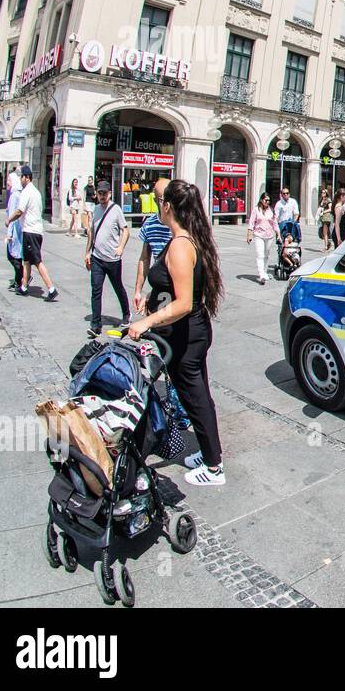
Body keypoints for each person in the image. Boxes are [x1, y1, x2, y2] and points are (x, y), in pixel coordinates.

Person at [127, 180, 225, 487]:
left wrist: (147, 322)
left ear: (168, 206)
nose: (157, 206)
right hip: (186, 332)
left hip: (187, 335)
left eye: (159, 202)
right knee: (198, 396)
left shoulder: (182, 245)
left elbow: (183, 303)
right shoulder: (182, 238)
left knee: (195, 398)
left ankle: (213, 467)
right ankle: (211, 453)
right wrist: (149, 296)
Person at [84, 180, 131, 339]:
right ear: (96, 194)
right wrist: (87, 252)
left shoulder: (116, 210)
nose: (102, 196)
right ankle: (95, 325)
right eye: (100, 193)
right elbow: (91, 233)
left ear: (110, 194)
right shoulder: (96, 210)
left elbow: (125, 231)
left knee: (118, 287)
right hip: (97, 257)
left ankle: (126, 314)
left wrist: (120, 248)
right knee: (96, 290)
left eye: (105, 193)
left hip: (112, 259)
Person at [6, 165, 57, 301]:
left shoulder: (26, 192)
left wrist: (9, 220)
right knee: (27, 261)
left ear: (26, 177)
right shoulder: (36, 192)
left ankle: (51, 289)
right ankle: (23, 287)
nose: (20, 179)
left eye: (21, 177)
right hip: (35, 231)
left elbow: (19, 211)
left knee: (37, 261)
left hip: (31, 232)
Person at [132, 177, 173, 314]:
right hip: (161, 283)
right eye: (163, 198)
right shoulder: (150, 224)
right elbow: (144, 258)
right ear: (156, 200)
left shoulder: (182, 224)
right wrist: (138, 290)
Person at [246, 192, 277, 285]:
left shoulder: (271, 210)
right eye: (266, 200)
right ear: (261, 200)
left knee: (266, 254)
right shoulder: (256, 210)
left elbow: (274, 223)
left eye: (269, 200)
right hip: (258, 235)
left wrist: (278, 234)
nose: (267, 202)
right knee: (260, 255)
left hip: (269, 235)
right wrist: (249, 234)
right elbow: (251, 222)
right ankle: (261, 274)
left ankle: (265, 271)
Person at [3, 171, 23, 292]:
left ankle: (21, 278)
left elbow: (12, 214)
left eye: (9, 180)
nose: (7, 183)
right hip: (16, 229)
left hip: (14, 229)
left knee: (12, 256)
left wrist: (9, 233)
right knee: (15, 255)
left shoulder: (15, 195)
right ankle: (18, 279)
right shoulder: (16, 194)